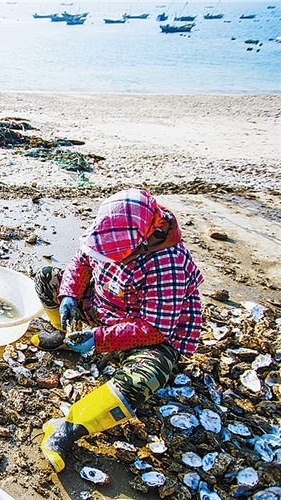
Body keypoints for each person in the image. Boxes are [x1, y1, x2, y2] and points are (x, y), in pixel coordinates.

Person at [29, 188, 203, 473]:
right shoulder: (113, 226)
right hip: (105, 309)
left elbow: (155, 329)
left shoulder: (167, 263)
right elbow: (83, 260)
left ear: (137, 240)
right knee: (48, 278)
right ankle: (65, 335)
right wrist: (70, 295)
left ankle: (69, 428)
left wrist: (98, 340)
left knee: (147, 375)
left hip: (146, 337)